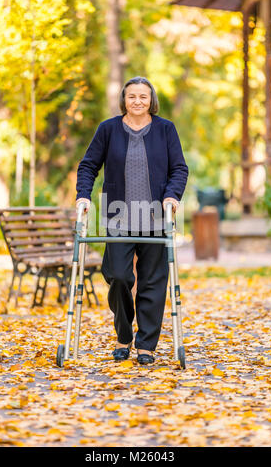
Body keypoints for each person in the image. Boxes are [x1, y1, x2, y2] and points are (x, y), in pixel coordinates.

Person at [76, 76, 188, 365]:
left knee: (153, 281)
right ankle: (124, 335)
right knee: (119, 276)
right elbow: (89, 165)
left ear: (152, 100)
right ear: (123, 99)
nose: (138, 101)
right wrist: (83, 195)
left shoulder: (165, 129)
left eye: (143, 96)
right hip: (118, 216)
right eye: (132, 96)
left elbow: (179, 169)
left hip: (155, 216)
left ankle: (146, 346)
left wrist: (172, 196)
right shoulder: (108, 129)